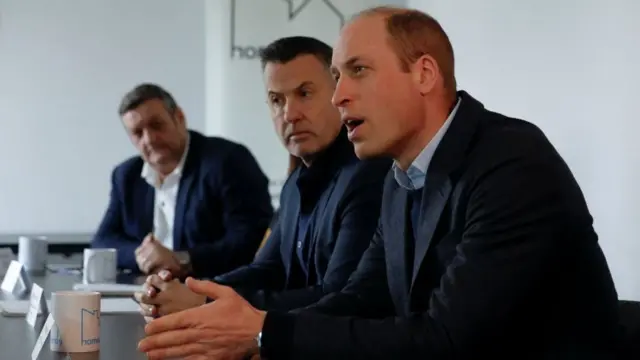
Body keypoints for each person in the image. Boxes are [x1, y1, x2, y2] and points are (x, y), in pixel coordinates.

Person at [137, 7, 620, 360]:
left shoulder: (512, 162)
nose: (340, 95)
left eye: (358, 71)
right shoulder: (400, 176)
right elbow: (361, 299)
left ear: (424, 73)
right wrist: (241, 327)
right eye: (335, 77)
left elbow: (448, 339)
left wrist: (262, 334)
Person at [134, 36, 391, 317]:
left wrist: (205, 303)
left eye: (304, 93)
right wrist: (191, 290)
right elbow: (268, 269)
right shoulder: (295, 182)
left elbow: (336, 299)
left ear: (338, 93)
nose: (289, 114)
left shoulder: (368, 175)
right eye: (276, 100)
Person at [92, 83, 273, 278]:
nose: (149, 139)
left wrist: (182, 259)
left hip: (211, 290)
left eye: (156, 125)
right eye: (138, 133)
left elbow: (251, 239)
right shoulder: (127, 175)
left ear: (179, 118)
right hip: (147, 291)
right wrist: (143, 256)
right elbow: (103, 241)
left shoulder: (227, 161)